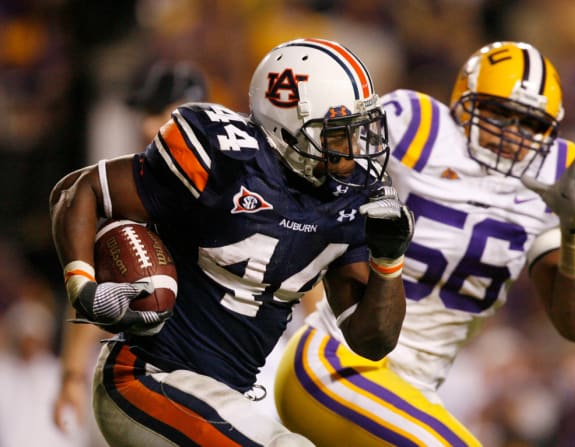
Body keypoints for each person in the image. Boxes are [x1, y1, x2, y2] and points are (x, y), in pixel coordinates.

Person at [49, 37, 413, 447]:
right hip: (148, 376)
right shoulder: (223, 159)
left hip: (225, 395)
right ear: (289, 127)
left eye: (358, 131)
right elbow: (78, 191)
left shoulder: (350, 198)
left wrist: (388, 262)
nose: (354, 149)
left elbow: (372, 341)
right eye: (337, 134)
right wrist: (81, 284)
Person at [274, 41, 575, 446]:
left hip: (413, 393)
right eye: (500, 111)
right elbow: (319, 197)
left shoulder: (555, 178)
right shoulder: (417, 125)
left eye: (530, 122)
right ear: (464, 99)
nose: (512, 133)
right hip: (336, 360)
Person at [51, 60, 209, 442]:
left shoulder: (235, 185)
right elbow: (98, 297)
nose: (144, 125)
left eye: (157, 112)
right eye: (146, 112)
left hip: (234, 362)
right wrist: (72, 376)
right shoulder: (130, 189)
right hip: (152, 364)